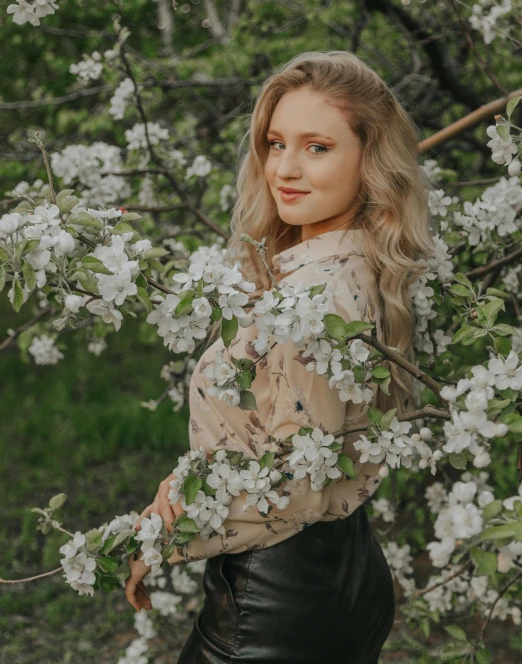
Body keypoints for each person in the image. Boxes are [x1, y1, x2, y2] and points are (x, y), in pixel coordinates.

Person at [124, 51, 435, 662]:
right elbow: (282, 435)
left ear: (369, 162)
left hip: (274, 604)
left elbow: (299, 484)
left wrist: (160, 538)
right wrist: (188, 481)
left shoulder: (311, 301)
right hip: (347, 573)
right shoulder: (366, 263)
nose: (285, 169)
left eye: (317, 147)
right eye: (275, 142)